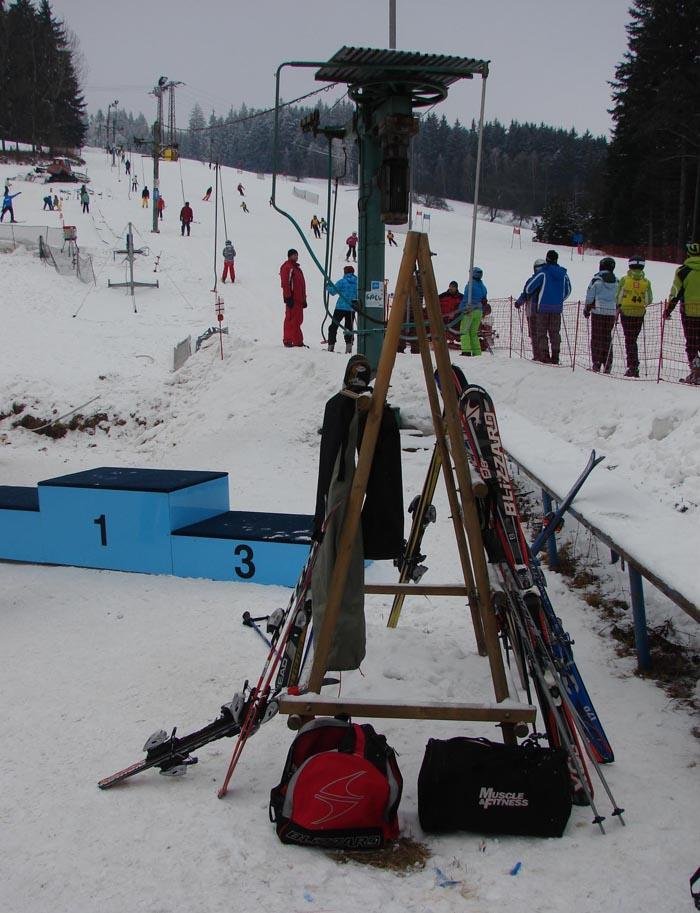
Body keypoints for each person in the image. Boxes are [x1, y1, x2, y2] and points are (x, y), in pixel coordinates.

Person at [523, 249, 572, 363]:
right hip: (557, 308)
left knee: (541, 332)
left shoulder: (543, 273)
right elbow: (568, 290)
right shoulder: (563, 274)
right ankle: (555, 356)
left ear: (547, 259)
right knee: (555, 332)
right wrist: (559, 299)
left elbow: (529, 288)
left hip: (543, 307)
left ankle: (544, 356)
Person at [665, 241, 700, 384]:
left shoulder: (682, 270)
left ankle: (696, 373)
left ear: (688, 254)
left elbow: (676, 292)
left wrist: (668, 310)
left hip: (689, 313)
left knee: (691, 343)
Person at [616, 255, 652, 377]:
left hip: (626, 312)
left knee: (629, 339)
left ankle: (632, 365)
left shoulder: (624, 280)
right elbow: (648, 300)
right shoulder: (646, 282)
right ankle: (633, 365)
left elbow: (618, 297)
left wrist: (619, 305)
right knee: (633, 339)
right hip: (639, 313)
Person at [583, 257, 619, 373]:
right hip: (611, 313)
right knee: (607, 337)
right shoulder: (617, 281)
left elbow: (590, 295)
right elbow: (619, 296)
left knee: (596, 337)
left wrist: (587, 308)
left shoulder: (596, 280)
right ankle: (607, 362)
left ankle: (597, 362)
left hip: (598, 312)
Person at [514, 258, 546, 353]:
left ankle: (537, 353)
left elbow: (526, 293)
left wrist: (519, 302)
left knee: (534, 333)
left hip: (533, 311)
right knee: (541, 333)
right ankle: (542, 353)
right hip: (544, 311)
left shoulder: (532, 280)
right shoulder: (547, 281)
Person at [326, 265, 358, 354]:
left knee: (333, 326)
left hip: (340, 307)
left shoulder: (342, 282)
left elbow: (333, 292)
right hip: (351, 309)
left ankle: (331, 346)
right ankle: (349, 348)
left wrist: (327, 286)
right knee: (349, 327)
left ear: (345, 272)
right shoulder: (358, 282)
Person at [280, 248, 307, 347]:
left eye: (297, 255)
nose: (296, 257)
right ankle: (290, 340)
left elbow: (301, 285)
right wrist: (288, 297)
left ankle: (297, 340)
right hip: (292, 299)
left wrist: (304, 299)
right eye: (294, 255)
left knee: (298, 320)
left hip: (299, 299)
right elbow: (285, 283)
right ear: (290, 256)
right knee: (292, 320)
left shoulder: (296, 268)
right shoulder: (288, 267)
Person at [458, 266, 488, 356]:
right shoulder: (483, 287)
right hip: (479, 311)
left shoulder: (470, 286)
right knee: (473, 333)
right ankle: (477, 352)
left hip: (470, 311)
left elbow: (466, 299)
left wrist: (461, 308)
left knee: (464, 331)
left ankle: (466, 351)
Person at [438, 280, 462, 345]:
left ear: (456, 288)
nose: (451, 288)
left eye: (453, 287)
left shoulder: (461, 297)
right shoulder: (442, 296)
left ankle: (457, 337)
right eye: (450, 286)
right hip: (443, 318)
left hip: (455, 319)